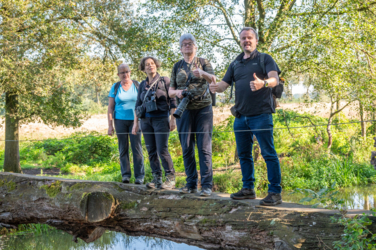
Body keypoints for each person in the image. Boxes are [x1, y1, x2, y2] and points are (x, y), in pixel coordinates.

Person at [209, 27, 282, 206]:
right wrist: (212, 85)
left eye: (249, 38)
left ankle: (275, 193)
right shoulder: (235, 63)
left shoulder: (265, 59)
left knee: (268, 153)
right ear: (240, 41)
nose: (246, 41)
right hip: (241, 117)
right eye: (243, 38)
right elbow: (223, 86)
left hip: (261, 115)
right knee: (243, 155)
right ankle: (248, 189)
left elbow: (275, 80)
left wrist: (263, 83)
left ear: (256, 41)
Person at [169, 33, 216, 196]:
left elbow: (214, 80)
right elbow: (170, 91)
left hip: (204, 109)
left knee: (204, 147)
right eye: (184, 44)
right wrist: (178, 92)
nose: (187, 45)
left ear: (195, 47)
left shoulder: (204, 62)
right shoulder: (177, 66)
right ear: (181, 48)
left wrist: (202, 73)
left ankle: (207, 185)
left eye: (190, 43)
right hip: (184, 110)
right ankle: (191, 184)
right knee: (187, 147)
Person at [134, 56, 177, 189]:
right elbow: (138, 105)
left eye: (152, 63)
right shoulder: (142, 84)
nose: (150, 66)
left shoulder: (165, 81)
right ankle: (157, 178)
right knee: (151, 150)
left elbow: (173, 102)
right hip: (146, 121)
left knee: (162, 149)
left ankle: (170, 178)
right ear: (143, 68)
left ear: (156, 65)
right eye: (147, 64)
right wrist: (136, 124)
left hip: (161, 119)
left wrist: (173, 119)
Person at [108, 63, 145, 184]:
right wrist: (110, 125)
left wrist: (141, 121)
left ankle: (139, 176)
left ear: (130, 72)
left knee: (137, 148)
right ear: (118, 74)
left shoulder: (137, 85)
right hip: (120, 121)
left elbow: (142, 104)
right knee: (123, 148)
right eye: (122, 72)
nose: (125, 74)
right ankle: (126, 175)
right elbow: (110, 108)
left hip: (136, 121)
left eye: (127, 71)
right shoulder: (115, 87)